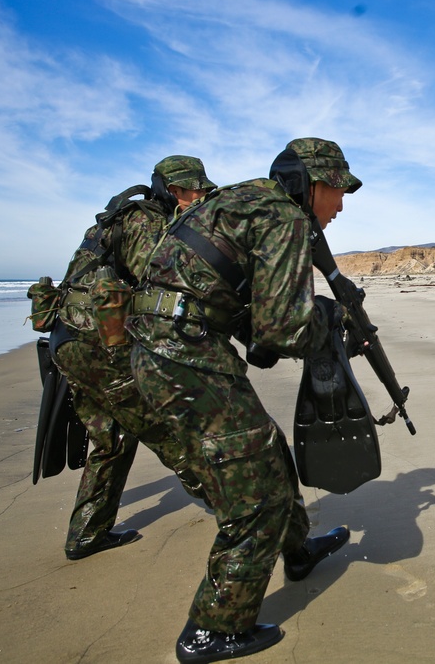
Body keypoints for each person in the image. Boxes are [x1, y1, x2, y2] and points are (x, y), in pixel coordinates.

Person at [128, 138, 357, 663]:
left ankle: (297, 551)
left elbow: (222, 291)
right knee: (253, 490)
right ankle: (213, 630)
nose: (341, 204)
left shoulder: (238, 199)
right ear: (311, 183)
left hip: (162, 348)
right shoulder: (286, 217)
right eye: (338, 190)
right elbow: (284, 331)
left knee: (268, 449)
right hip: (183, 354)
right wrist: (330, 316)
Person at [52, 155, 215, 561]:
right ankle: (247, 512)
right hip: (99, 344)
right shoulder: (145, 222)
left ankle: (87, 534)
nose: (201, 197)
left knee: (112, 437)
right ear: (173, 190)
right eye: (196, 190)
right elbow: (160, 277)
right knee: (166, 429)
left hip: (69, 340)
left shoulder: (114, 219)